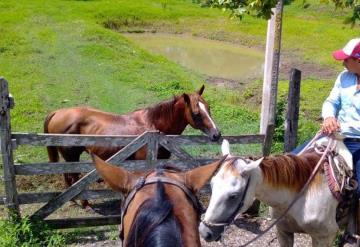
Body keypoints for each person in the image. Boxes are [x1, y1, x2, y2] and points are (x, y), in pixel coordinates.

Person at [321, 37, 360, 246]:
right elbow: (331, 101)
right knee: (296, 158)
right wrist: (328, 117)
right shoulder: (343, 77)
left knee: (358, 188)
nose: (343, 62)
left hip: (359, 142)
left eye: (347, 59)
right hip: (335, 136)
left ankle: (352, 230)